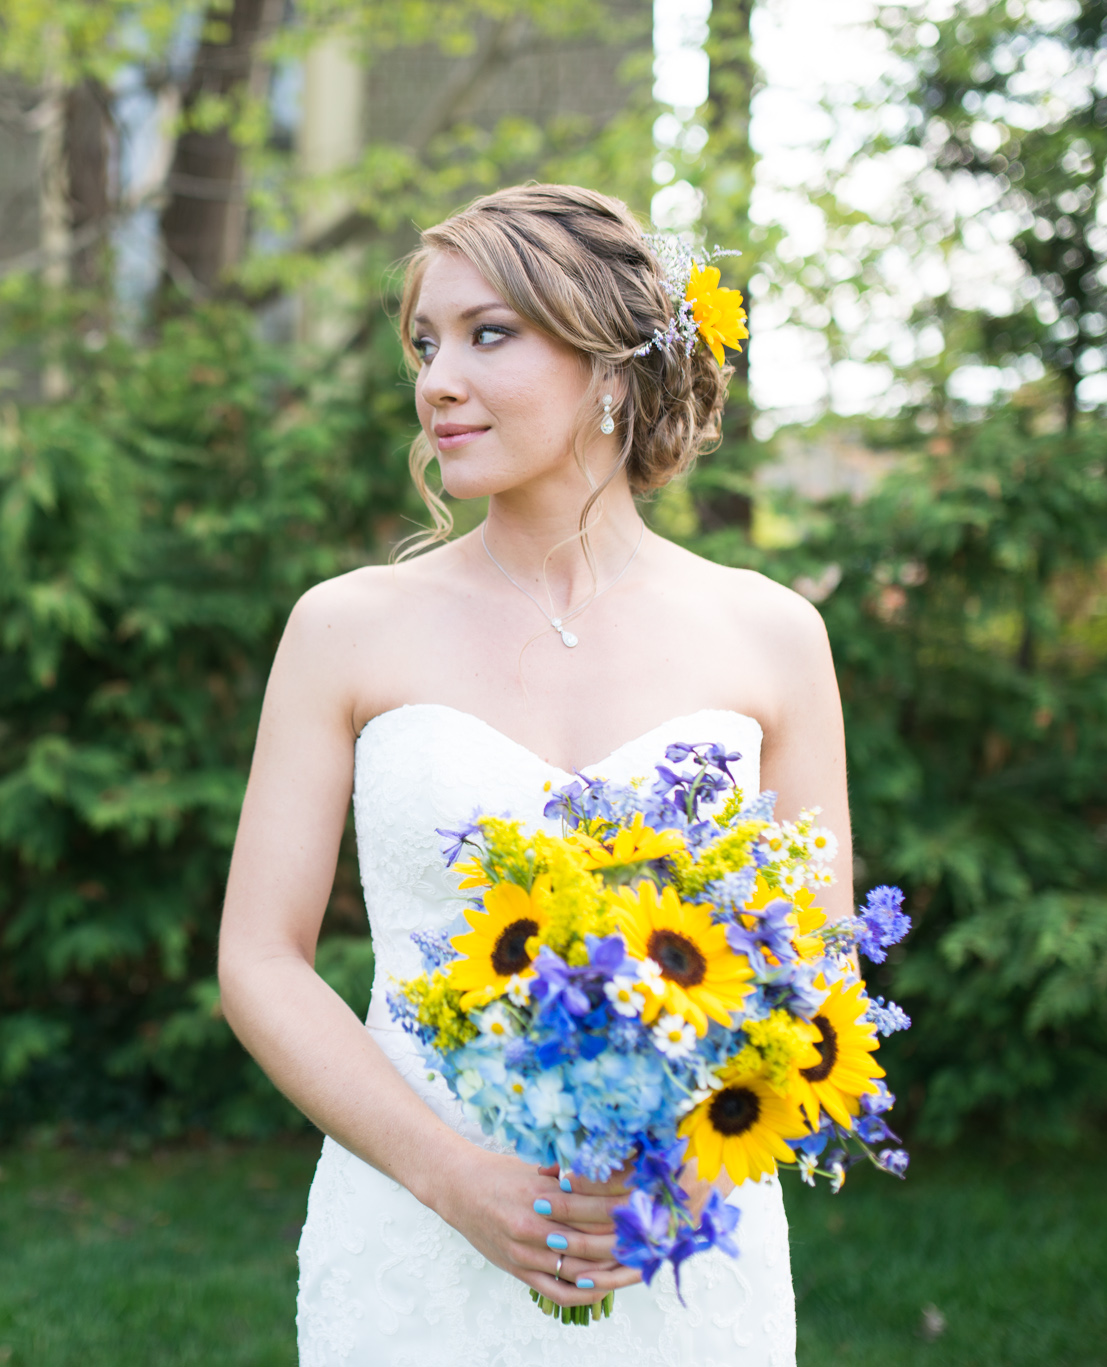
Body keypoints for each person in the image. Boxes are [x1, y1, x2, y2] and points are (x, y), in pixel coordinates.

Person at [215, 184, 852, 1365]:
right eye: (423, 343)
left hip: (671, 1236)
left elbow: (812, 969)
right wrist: (452, 1176)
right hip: (411, 1233)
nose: (435, 380)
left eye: (485, 333)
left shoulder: (770, 634)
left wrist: (661, 1164)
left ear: (609, 365)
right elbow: (258, 958)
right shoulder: (344, 627)